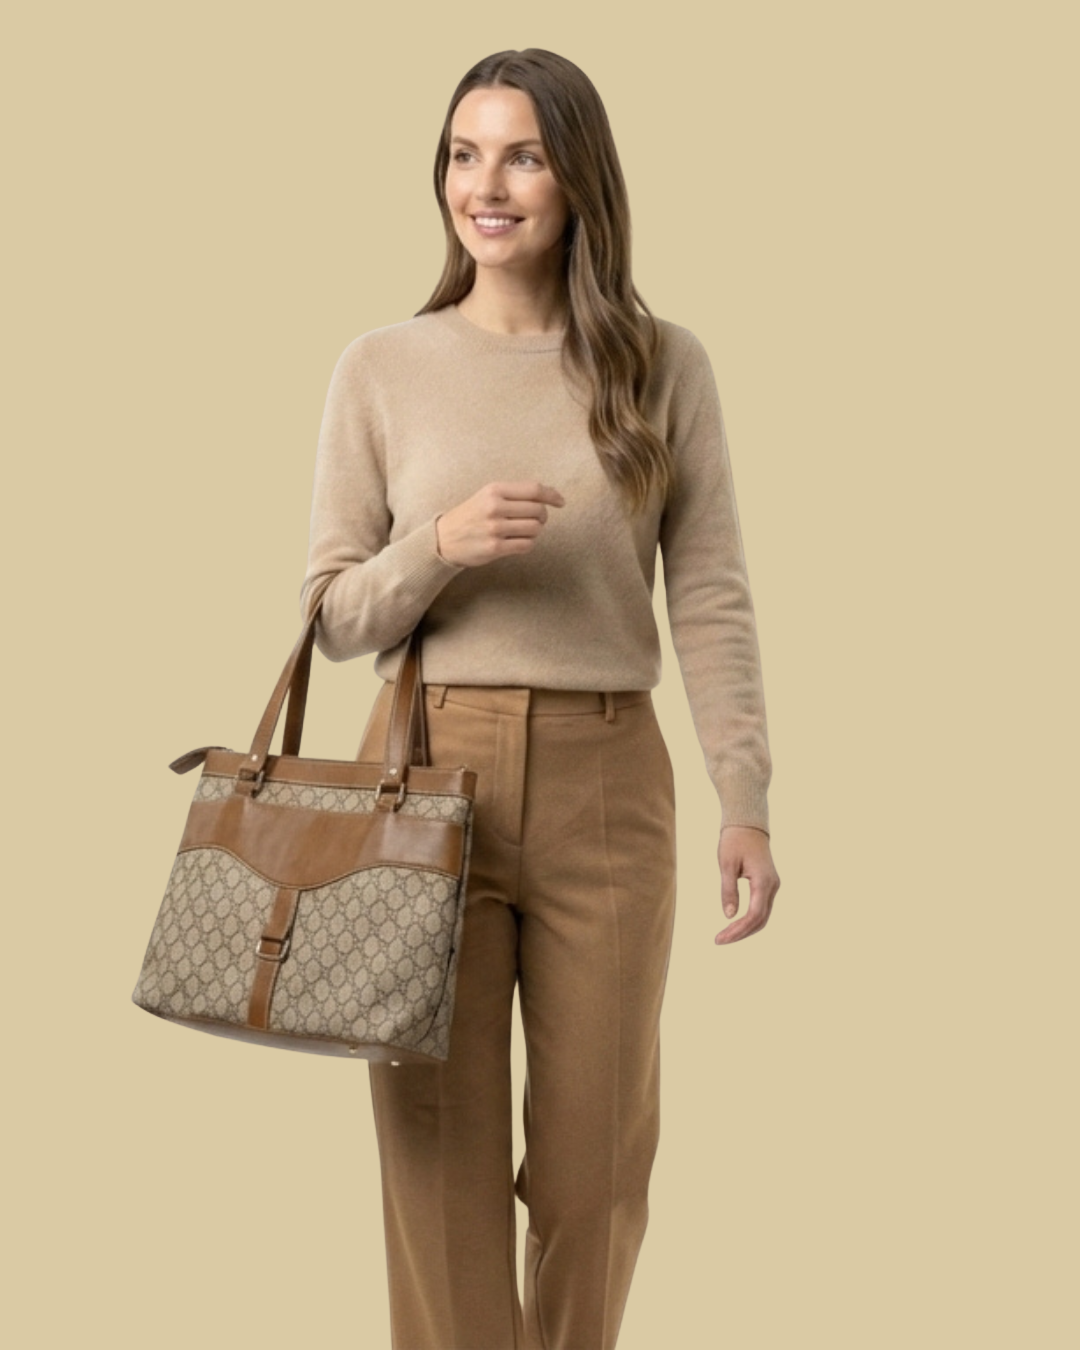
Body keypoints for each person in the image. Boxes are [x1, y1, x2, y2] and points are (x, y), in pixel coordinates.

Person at [299, 47, 781, 1350]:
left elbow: (715, 594)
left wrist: (747, 796)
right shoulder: (384, 367)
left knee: (597, 1172)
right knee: (437, 1168)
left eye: (521, 152)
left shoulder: (660, 362)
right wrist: (438, 547)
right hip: (423, 777)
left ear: (578, 175)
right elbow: (334, 615)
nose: (487, 183)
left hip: (610, 780)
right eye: (464, 152)